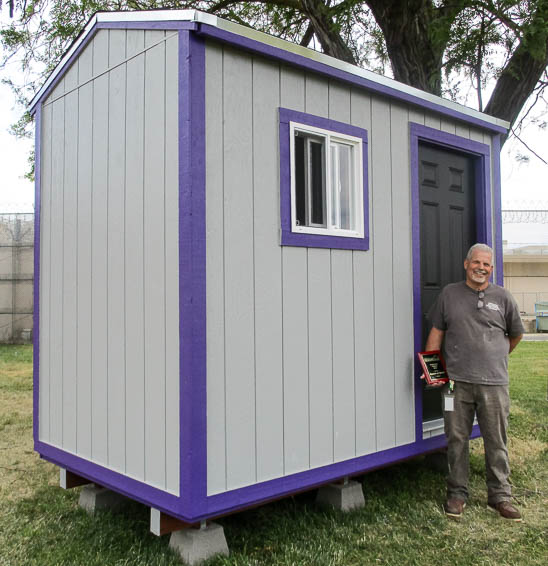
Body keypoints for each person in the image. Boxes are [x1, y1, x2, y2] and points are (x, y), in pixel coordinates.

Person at [425, 243, 524, 521]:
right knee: (456, 438)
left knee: (496, 439)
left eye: (487, 265)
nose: (481, 268)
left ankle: (500, 496)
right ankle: (457, 493)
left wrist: (495, 358)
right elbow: (436, 334)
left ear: (491, 269)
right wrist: (434, 372)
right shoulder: (449, 295)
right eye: (477, 263)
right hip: (455, 383)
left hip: (494, 383)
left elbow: (516, 335)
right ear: (466, 264)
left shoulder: (503, 298)